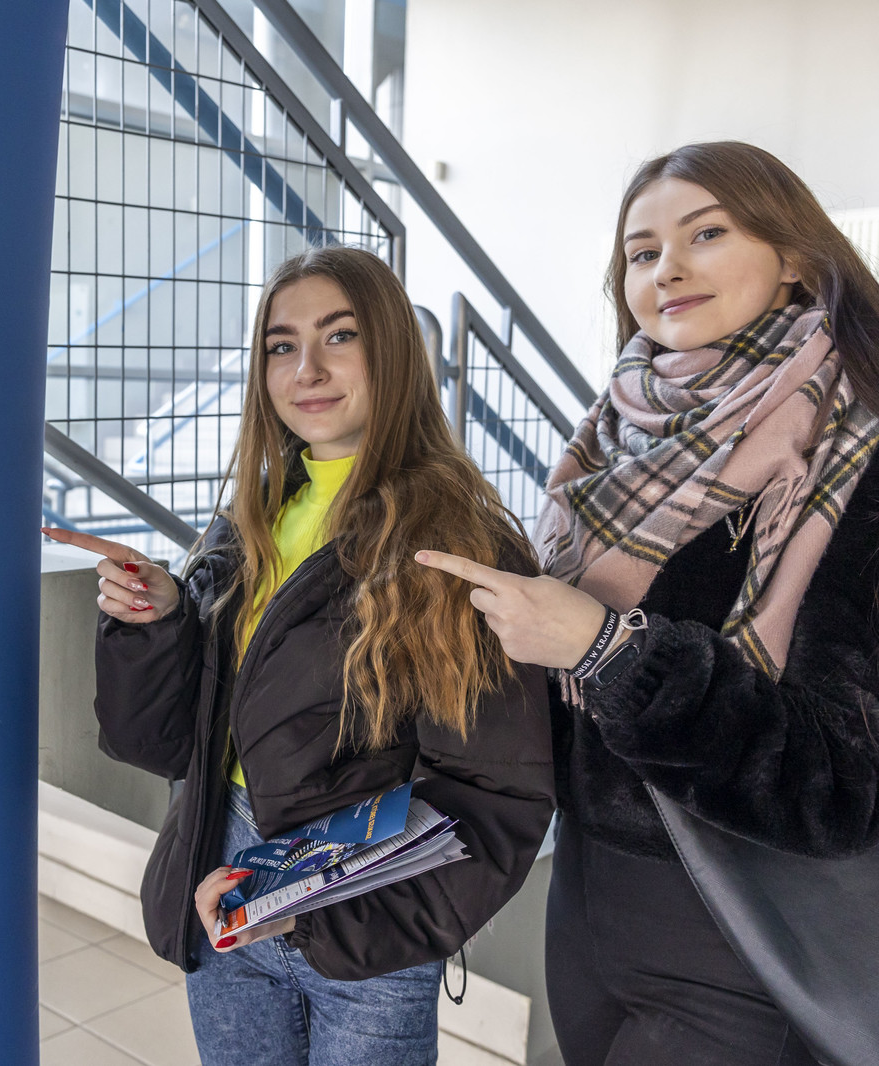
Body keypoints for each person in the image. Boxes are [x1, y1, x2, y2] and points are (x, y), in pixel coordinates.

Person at [415, 141, 879, 1065]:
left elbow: (843, 784)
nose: (666, 268)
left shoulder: (856, 457)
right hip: (587, 896)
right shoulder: (614, 439)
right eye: (641, 251)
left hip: (739, 924)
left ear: (794, 255)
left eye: (705, 234)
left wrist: (611, 651)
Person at [43, 245, 555, 1066]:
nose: (306, 369)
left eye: (339, 336)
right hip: (224, 885)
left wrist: (321, 911)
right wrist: (159, 622)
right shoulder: (249, 520)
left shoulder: (460, 543)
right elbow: (164, 744)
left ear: (392, 351)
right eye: (281, 346)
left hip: (364, 922)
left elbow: (492, 795)